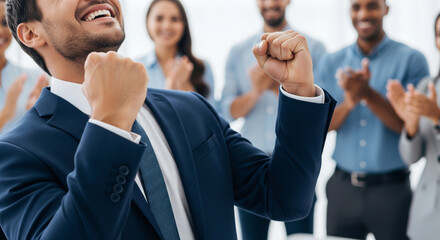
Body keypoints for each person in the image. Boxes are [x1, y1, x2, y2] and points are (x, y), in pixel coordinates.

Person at [0, 0, 335, 239]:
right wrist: (110, 124)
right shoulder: (16, 155)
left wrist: (298, 91)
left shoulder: (191, 108)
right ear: (30, 34)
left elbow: (285, 198)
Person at [315, 0, 430, 239]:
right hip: (342, 190)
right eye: (356, 7)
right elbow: (321, 127)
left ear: (386, 8)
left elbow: (408, 129)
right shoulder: (331, 62)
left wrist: (368, 94)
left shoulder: (412, 60)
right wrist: (350, 100)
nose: (363, 13)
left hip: (392, 193)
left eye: (372, 5)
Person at [220, 0, 326, 237]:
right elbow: (227, 111)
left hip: (297, 166)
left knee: (301, 238)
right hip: (251, 168)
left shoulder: (314, 50)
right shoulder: (238, 52)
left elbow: (321, 113)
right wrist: (257, 89)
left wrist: (288, 86)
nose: (270, 2)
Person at [386, 12, 440, 240]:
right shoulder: (427, 86)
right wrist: (409, 124)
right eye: (439, 34)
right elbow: (411, 158)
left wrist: (436, 117)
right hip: (426, 214)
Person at [137, 0, 216, 107]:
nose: (166, 26)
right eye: (159, 18)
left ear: (184, 24)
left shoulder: (202, 67)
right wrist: (170, 85)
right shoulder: (135, 68)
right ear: (148, 22)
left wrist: (185, 85)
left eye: (174, 19)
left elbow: (211, 117)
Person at [0, 0, 47, 133]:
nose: (0, 31)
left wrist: (33, 114)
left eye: (4, 23)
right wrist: (6, 113)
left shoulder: (34, 78)